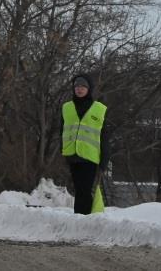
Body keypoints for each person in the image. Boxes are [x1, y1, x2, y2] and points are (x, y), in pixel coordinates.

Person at [61, 73, 109, 215]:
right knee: (79, 189)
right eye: (77, 86)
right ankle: (79, 218)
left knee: (86, 190)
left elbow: (104, 136)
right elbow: (61, 131)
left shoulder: (99, 109)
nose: (79, 89)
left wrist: (105, 160)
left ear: (89, 89)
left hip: (90, 157)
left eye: (83, 86)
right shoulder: (67, 107)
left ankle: (84, 218)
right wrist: (62, 149)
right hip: (73, 155)